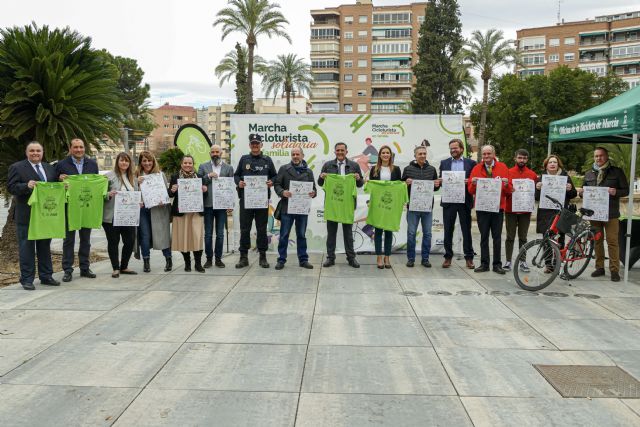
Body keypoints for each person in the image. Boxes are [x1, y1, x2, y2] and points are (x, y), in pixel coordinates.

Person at [7, 142, 60, 290]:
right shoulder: (17, 167)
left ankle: (46, 276)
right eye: (32, 151)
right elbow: (11, 187)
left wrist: (63, 185)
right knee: (26, 248)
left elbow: (53, 188)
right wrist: (26, 186)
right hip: (26, 216)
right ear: (27, 152)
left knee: (44, 247)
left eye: (38, 151)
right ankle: (27, 279)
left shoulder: (50, 168)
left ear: (42, 153)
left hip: (45, 216)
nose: (35, 153)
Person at [578, 147, 629, 282]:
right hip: (594, 214)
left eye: (601, 156)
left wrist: (615, 192)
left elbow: (626, 191)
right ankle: (599, 267)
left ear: (606, 157)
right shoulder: (589, 173)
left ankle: (614, 270)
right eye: (596, 156)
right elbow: (583, 190)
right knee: (597, 240)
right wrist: (581, 193)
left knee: (613, 241)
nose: (598, 158)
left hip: (611, 214)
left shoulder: (616, 172)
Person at [56, 138, 99, 282]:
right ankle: (67, 270)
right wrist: (59, 179)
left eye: (81, 147)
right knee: (68, 240)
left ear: (84, 148)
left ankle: (85, 268)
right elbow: (54, 183)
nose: (79, 150)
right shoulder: (61, 165)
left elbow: (96, 184)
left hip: (86, 207)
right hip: (69, 208)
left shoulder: (92, 164)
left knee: (86, 240)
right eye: (75, 147)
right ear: (70, 148)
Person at [234, 134, 277, 268]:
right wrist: (239, 182)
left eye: (257, 143)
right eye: (253, 143)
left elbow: (275, 176)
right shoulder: (244, 159)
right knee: (244, 229)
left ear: (261, 145)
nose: (255, 146)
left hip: (261, 201)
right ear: (249, 145)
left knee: (262, 229)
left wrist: (272, 182)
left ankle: (262, 256)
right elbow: (236, 175)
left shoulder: (267, 160)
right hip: (246, 201)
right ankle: (243, 257)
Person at [318, 142, 364, 268]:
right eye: (337, 150)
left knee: (348, 233)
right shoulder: (327, 165)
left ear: (346, 152)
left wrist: (358, 178)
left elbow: (360, 184)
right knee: (331, 233)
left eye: (342, 150)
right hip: (332, 204)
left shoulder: (354, 165)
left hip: (347, 205)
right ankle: (330, 258)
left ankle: (351, 258)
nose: (340, 152)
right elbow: (320, 183)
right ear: (334, 152)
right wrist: (322, 177)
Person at [468, 145, 511, 274]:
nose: (486, 156)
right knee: (484, 237)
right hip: (482, 208)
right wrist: (473, 184)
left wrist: (507, 184)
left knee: (497, 237)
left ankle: (497, 264)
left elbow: (509, 191)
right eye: (484, 154)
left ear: (493, 154)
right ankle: (484, 264)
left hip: (498, 208)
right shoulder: (476, 168)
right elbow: (470, 190)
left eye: (488, 154)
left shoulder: (503, 167)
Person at [273, 147, 317, 270]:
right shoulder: (284, 169)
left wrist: (313, 193)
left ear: (302, 155)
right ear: (291, 156)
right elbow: (277, 184)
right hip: (287, 208)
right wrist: (282, 192)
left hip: (302, 209)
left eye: (298, 154)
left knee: (301, 235)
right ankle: (281, 260)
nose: (295, 156)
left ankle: (303, 260)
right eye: (293, 154)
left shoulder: (308, 172)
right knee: (284, 235)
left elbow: (314, 189)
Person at [439, 138, 477, 269]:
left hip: (464, 201)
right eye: (451, 148)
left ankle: (469, 257)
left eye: (455, 148)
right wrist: (440, 180)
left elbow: (474, 181)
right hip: (449, 202)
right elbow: (441, 180)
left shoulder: (471, 163)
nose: (453, 150)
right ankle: (448, 257)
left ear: (461, 149)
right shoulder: (444, 163)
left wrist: (470, 181)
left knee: (466, 230)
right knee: (448, 230)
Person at [534, 154, 577, 271]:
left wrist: (569, 189)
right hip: (545, 212)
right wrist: (537, 188)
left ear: (558, 165)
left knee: (560, 238)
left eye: (555, 162)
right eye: (550, 162)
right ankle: (548, 264)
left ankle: (557, 262)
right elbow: (536, 197)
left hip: (560, 212)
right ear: (546, 165)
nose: (552, 164)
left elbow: (573, 194)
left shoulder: (565, 177)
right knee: (546, 238)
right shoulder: (541, 178)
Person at [402, 145, 440, 268]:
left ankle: (425, 259)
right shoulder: (407, 169)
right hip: (412, 207)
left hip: (427, 207)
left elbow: (435, 187)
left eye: (424, 153)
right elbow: (401, 185)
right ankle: (411, 258)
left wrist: (437, 184)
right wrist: (405, 182)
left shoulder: (432, 169)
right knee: (411, 233)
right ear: (415, 156)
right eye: (420, 154)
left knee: (427, 233)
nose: (423, 156)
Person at [103, 152, 139, 278]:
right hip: (111, 216)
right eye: (121, 160)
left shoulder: (133, 178)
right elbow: (100, 194)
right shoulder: (108, 177)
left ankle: (124, 266)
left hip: (128, 216)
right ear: (117, 162)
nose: (124, 163)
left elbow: (137, 195)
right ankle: (115, 268)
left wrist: (139, 203)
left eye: (126, 161)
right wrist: (108, 194)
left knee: (129, 241)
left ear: (130, 163)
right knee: (113, 241)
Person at [136, 151, 172, 273]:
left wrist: (164, 200)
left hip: (158, 208)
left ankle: (168, 259)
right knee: (145, 236)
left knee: (161, 234)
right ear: (140, 162)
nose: (147, 163)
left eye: (149, 160)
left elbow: (165, 192)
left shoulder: (160, 175)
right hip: (143, 210)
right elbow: (131, 192)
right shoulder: (136, 175)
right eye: (144, 160)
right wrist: (136, 183)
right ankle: (146, 262)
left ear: (153, 161)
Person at [169, 155, 206, 273]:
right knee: (183, 238)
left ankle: (198, 264)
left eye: (190, 163)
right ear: (181, 164)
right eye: (185, 163)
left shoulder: (199, 177)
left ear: (193, 164)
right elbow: (170, 195)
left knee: (196, 238)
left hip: (195, 213)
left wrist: (205, 190)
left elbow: (205, 196)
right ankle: (187, 263)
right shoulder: (175, 177)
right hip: (181, 213)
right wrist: (172, 190)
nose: (187, 165)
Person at [199, 144, 234, 268]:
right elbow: (198, 182)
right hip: (208, 205)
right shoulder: (203, 166)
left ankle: (218, 258)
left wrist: (230, 204)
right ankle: (209, 259)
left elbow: (230, 187)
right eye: (212, 152)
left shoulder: (229, 168)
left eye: (217, 152)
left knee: (220, 233)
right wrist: (208, 176)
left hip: (222, 206)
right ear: (210, 153)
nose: (215, 154)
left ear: (221, 153)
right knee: (208, 234)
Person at [368, 145, 402, 269]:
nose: (385, 155)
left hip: (391, 205)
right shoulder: (374, 169)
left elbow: (399, 186)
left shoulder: (397, 169)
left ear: (390, 155)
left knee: (388, 231)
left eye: (387, 152)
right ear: (380, 155)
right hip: (378, 204)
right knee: (378, 232)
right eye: (383, 153)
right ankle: (379, 257)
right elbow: (372, 187)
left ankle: (387, 257)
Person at [504, 149, 538, 272]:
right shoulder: (508, 172)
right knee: (510, 236)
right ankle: (508, 261)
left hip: (525, 211)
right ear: (515, 158)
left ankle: (522, 261)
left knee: (523, 237)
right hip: (510, 210)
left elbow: (535, 193)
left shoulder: (533, 175)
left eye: (524, 158)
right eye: (520, 158)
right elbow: (504, 192)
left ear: (527, 160)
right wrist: (507, 187)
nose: (522, 160)